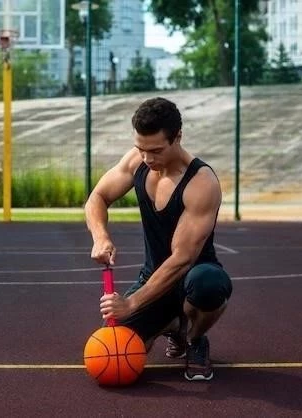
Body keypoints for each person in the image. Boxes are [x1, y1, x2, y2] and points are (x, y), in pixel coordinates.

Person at [84, 97, 233, 381]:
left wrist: (131, 303)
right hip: (152, 278)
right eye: (141, 149)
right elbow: (97, 197)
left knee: (208, 285)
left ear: (177, 137)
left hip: (193, 275)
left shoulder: (201, 182)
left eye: (155, 150)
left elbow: (182, 259)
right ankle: (174, 324)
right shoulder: (137, 160)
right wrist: (100, 236)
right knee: (114, 348)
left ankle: (194, 337)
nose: (147, 158)